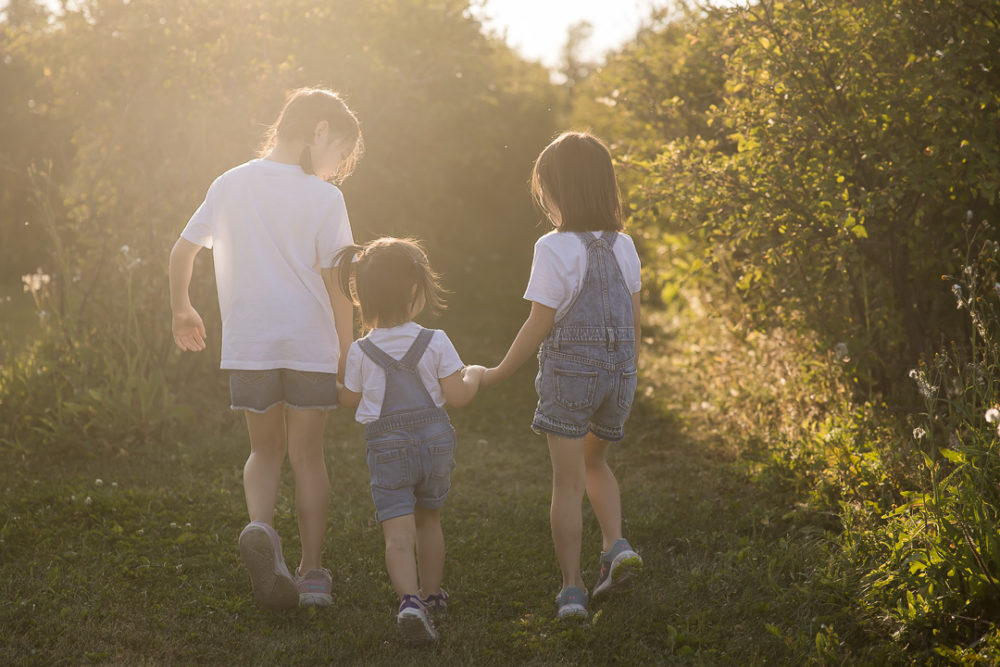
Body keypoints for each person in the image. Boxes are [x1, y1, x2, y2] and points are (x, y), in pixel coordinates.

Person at [168, 87, 363, 609]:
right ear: (319, 130)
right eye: (339, 152)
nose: (338, 167)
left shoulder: (230, 183)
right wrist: (347, 351)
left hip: (250, 345)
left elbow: (182, 251)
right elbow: (339, 284)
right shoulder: (325, 199)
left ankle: (260, 530)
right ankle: (313, 571)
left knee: (264, 450)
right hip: (308, 344)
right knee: (307, 455)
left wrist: (182, 308)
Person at [482, 131, 643, 620]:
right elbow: (635, 321)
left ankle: (572, 590)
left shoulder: (553, 248)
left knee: (567, 483)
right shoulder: (625, 245)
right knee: (598, 464)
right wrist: (628, 372)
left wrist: (498, 371)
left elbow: (540, 321)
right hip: (620, 375)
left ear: (559, 191)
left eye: (544, 190)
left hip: (572, 377)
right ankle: (616, 545)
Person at [336, 237, 484, 644]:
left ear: (362, 298)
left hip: (388, 449)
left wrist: (335, 384)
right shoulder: (435, 340)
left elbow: (350, 399)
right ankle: (433, 595)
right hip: (435, 444)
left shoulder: (361, 351)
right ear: (415, 292)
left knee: (397, 533)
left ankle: (410, 601)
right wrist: (474, 374)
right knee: (429, 519)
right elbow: (457, 395)